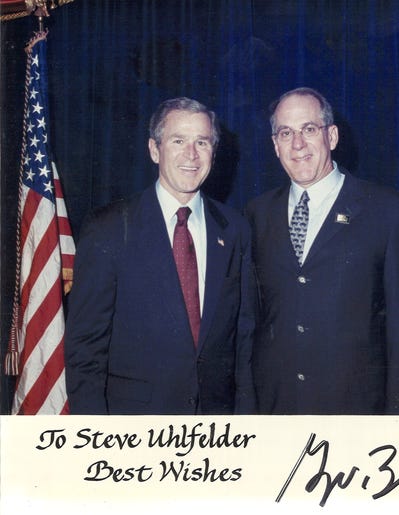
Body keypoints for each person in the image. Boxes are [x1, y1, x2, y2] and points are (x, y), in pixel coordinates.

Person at [64, 97, 256, 414]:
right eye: (178, 140)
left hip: (216, 430)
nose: (191, 155)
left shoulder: (235, 230)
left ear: (214, 151)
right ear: (154, 149)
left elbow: (244, 341)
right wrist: (94, 438)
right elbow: (84, 351)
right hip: (133, 431)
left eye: (202, 142)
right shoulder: (109, 228)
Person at [245, 87, 399, 414]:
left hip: (355, 412)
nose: (297, 144)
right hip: (276, 409)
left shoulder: (386, 210)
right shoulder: (256, 215)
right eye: (286, 133)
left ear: (332, 136)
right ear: (275, 145)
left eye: (309, 129)